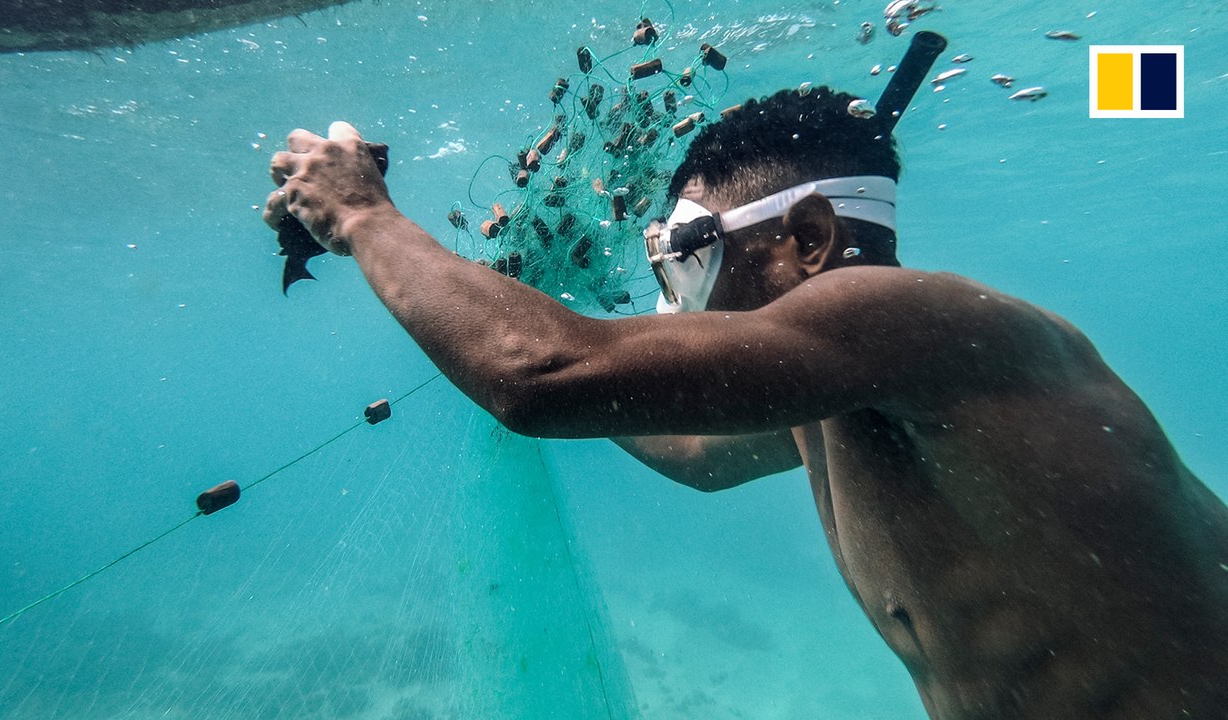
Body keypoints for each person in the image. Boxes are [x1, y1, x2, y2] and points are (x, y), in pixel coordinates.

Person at [265, 87, 1228, 719]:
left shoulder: (899, 315)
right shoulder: (854, 389)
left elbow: (538, 374)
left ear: (807, 238)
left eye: (686, 255)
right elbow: (691, 451)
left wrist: (362, 217)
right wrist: (489, 330)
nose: (677, 301)